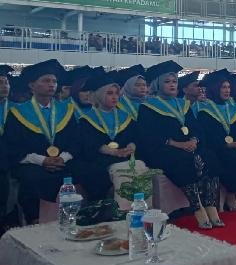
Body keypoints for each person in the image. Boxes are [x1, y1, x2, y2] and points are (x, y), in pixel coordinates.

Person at [136, 61, 223, 229]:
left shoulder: (183, 104)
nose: (172, 85)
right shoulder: (147, 107)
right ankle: (197, 208)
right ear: (158, 84)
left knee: (210, 156)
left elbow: (197, 128)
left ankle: (211, 204)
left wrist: (194, 140)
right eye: (167, 81)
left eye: (174, 81)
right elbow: (149, 136)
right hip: (164, 150)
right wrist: (178, 144)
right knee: (184, 160)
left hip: (189, 146)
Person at [4, 59, 81, 224]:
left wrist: (63, 158)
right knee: (33, 177)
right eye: (46, 80)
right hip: (32, 163)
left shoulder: (66, 110)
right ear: (32, 86)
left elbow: (76, 140)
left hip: (62, 161)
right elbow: (13, 147)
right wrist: (42, 160)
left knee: (81, 171)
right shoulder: (18, 112)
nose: (51, 85)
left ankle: (75, 217)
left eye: (54, 81)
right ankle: (36, 220)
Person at [77, 71, 145, 209]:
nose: (115, 97)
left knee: (140, 164)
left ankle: (139, 207)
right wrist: (114, 152)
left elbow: (134, 137)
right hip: (100, 159)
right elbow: (90, 145)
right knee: (96, 171)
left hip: (125, 155)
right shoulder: (87, 119)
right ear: (99, 94)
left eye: (116, 93)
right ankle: (115, 208)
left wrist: (131, 147)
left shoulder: (125, 116)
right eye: (109, 93)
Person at [198, 69, 236, 211]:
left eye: (228, 87)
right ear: (214, 89)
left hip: (233, 145)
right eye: (223, 87)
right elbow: (208, 136)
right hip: (216, 148)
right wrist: (226, 145)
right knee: (232, 157)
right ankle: (231, 196)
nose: (227, 90)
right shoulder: (205, 110)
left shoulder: (231, 108)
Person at [0, 65, 13, 231]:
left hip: (10, 156)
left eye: (6, 82)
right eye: (0, 82)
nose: (4, 86)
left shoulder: (17, 109)